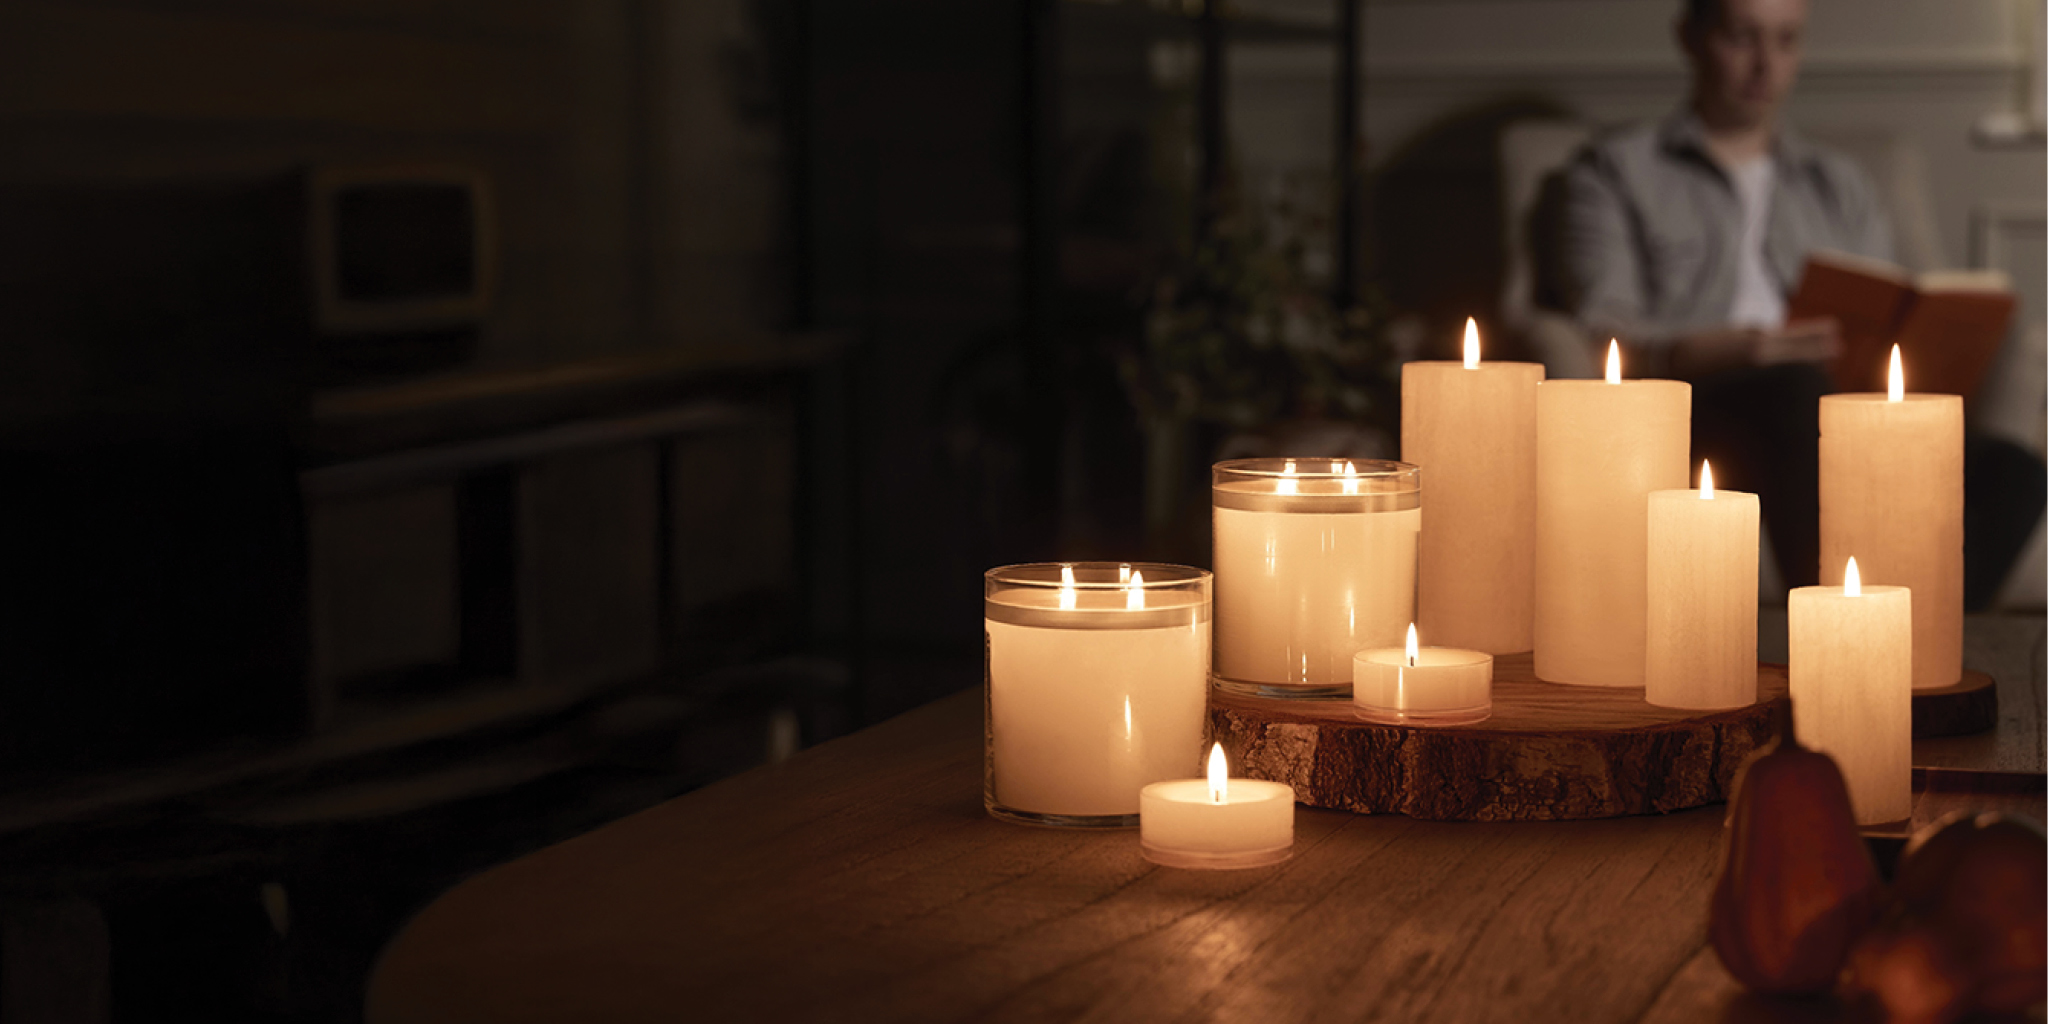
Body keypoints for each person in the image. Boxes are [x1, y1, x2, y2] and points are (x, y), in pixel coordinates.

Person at [1538, 0, 1885, 589]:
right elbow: (1608, 330)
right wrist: (1741, 349)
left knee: (2013, 469)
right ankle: (1830, 623)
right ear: (1691, 39)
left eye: (1786, 41)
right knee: (1794, 388)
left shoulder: (1837, 181)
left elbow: (1886, 303)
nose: (1765, 65)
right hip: (1705, 403)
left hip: (1837, 400)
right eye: (1742, 38)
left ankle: (1902, 624)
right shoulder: (1616, 170)